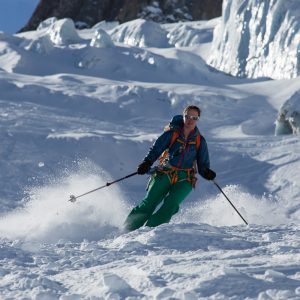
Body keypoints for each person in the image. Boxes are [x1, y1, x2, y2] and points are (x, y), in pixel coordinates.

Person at [124, 105, 216, 231]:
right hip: (165, 172)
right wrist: (146, 163)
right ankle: (127, 230)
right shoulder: (171, 134)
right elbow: (156, 149)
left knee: (171, 205)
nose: (190, 120)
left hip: (185, 178)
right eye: (187, 116)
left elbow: (203, 165)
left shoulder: (200, 141)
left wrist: (207, 173)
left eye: (194, 117)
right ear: (183, 117)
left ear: (198, 119)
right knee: (149, 203)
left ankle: (150, 232)